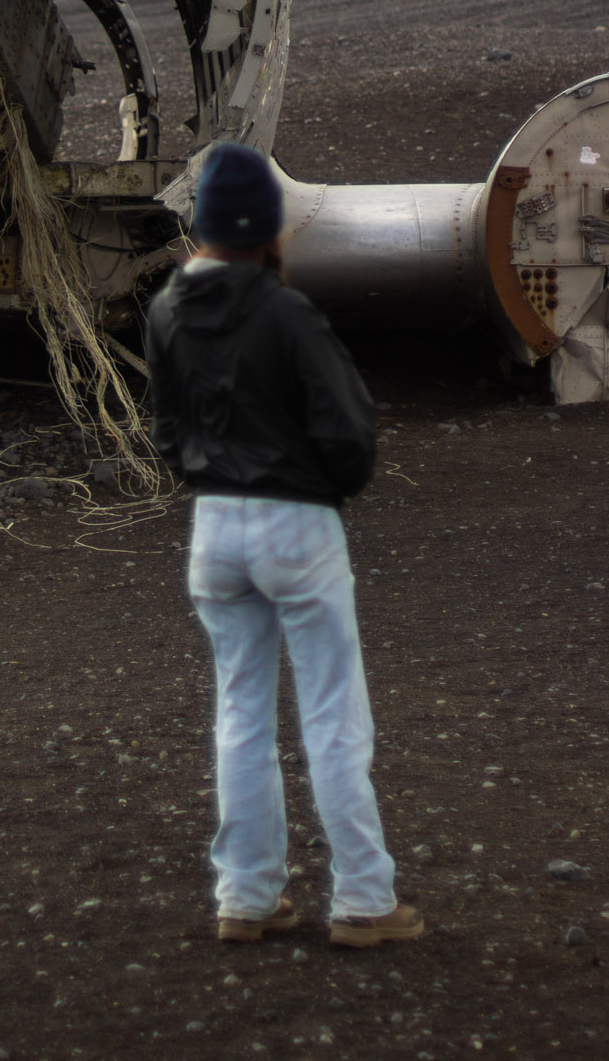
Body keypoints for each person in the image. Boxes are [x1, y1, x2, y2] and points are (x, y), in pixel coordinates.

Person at [145, 141, 422, 949]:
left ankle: (246, 894)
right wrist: (327, 485)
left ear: (200, 226)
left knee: (239, 710)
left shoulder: (165, 309)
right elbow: (347, 430)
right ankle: (365, 899)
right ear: (267, 226)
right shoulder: (284, 312)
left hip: (213, 525)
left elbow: (165, 431)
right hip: (295, 520)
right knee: (333, 714)